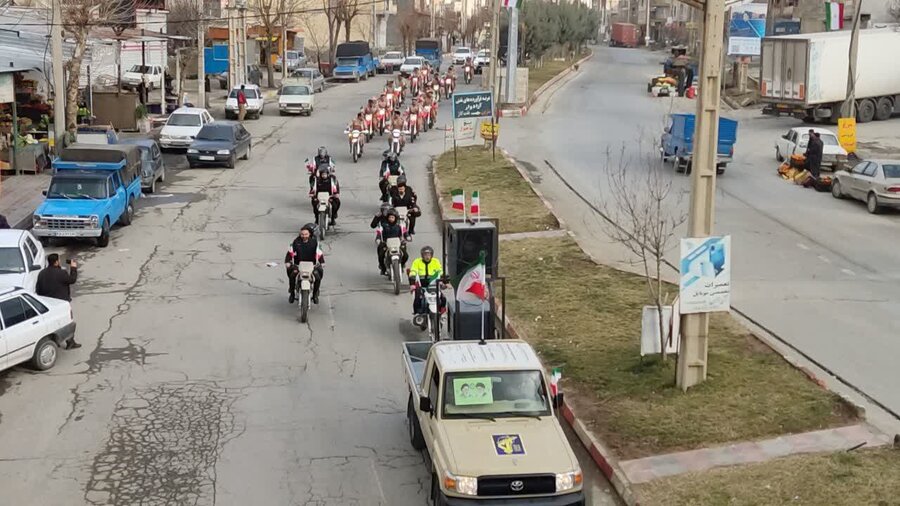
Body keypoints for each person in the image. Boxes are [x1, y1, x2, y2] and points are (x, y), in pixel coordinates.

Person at [35, 254, 81, 349]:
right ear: (56, 262)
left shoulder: (42, 273)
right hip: (61, 303)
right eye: (59, 260)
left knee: (52, 322)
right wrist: (73, 268)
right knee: (67, 320)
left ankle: (55, 340)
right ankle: (70, 341)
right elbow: (72, 280)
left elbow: (38, 289)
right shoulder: (61, 273)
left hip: (47, 304)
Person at [285, 224, 325, 304]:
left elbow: (319, 253)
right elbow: (290, 253)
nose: (304, 236)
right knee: (292, 274)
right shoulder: (296, 242)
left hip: (311, 265)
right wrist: (288, 262)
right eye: (302, 234)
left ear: (309, 234)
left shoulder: (314, 242)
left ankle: (315, 294)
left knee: (317, 275)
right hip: (298, 265)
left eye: (306, 234)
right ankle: (292, 293)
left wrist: (322, 262)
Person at [408, 245, 444, 315]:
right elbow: (413, 272)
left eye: (429, 254)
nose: (427, 256)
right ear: (422, 255)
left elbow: (440, 272)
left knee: (443, 298)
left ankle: (441, 313)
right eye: (425, 255)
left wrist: (445, 282)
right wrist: (412, 284)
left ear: (432, 255)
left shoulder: (436, 261)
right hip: (422, 285)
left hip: (433, 284)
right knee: (417, 297)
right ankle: (418, 313)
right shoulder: (417, 262)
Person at [371, 208, 408, 275]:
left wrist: (407, 237)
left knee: (405, 255)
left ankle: (402, 265)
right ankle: (383, 268)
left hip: (397, 243)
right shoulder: (383, 226)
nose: (391, 218)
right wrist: (378, 239)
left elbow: (405, 232)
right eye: (390, 217)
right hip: (386, 243)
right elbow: (379, 233)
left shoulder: (400, 226)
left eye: (392, 217)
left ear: (395, 218)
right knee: (381, 254)